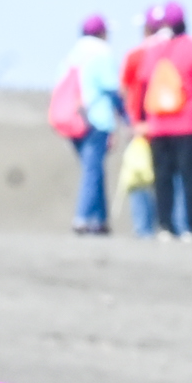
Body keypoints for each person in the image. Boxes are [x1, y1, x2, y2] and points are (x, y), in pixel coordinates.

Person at [122, 3, 192, 240]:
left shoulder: (153, 50)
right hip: (187, 123)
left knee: (162, 178)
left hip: (157, 125)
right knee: (190, 177)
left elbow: (142, 88)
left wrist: (139, 120)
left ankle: (165, 226)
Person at [53, 12, 122, 236]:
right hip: (95, 120)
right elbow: (111, 88)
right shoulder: (102, 53)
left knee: (93, 169)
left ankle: (99, 219)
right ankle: (83, 217)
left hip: (72, 120)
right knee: (92, 170)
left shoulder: (71, 55)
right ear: (101, 32)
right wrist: (126, 115)